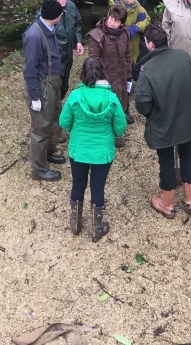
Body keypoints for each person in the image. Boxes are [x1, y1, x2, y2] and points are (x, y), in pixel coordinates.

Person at [133, 22, 191, 219]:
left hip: (163, 121)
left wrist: (151, 114)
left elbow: (141, 101)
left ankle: (167, 202)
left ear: (150, 44)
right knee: (187, 154)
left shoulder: (148, 68)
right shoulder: (183, 56)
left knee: (166, 160)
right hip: (186, 117)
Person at [59, 56, 127, 242]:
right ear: (102, 73)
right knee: (98, 186)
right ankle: (97, 228)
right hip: (102, 152)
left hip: (78, 150)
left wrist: (77, 131)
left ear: (83, 74)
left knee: (77, 184)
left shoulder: (74, 96)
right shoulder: (111, 98)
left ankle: (75, 223)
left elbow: (63, 122)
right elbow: (120, 127)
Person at [22, 0, 66, 181]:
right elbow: (29, 70)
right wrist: (35, 98)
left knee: (56, 118)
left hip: (53, 83)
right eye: (61, 13)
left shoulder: (49, 27)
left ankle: (47, 154)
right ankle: (38, 169)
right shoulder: (34, 36)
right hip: (42, 86)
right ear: (56, 16)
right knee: (40, 128)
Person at [87, 4, 131, 144]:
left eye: (116, 21)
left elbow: (128, 55)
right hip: (104, 78)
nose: (112, 22)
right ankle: (104, 134)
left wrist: (128, 75)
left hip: (121, 75)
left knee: (120, 104)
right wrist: (97, 80)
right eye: (111, 18)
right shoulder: (97, 35)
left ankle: (117, 133)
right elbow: (92, 60)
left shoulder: (125, 33)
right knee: (104, 106)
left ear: (121, 23)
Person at [116, 0, 150, 122]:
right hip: (119, 53)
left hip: (132, 51)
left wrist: (137, 26)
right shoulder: (116, 9)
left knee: (128, 81)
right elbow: (113, 27)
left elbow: (147, 19)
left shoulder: (136, 6)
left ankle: (126, 110)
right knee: (120, 83)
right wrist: (125, 32)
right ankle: (121, 112)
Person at [48, 0, 84, 98]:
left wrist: (78, 41)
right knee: (54, 84)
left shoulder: (71, 6)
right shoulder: (47, 12)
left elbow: (77, 24)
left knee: (64, 84)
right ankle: (54, 103)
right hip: (55, 57)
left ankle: (60, 98)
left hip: (68, 55)